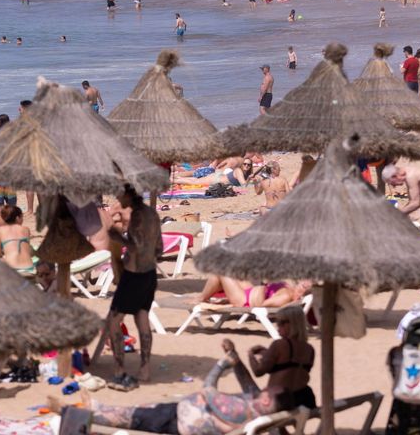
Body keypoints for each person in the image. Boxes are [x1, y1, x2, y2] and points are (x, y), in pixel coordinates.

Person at [79, 339, 284, 435]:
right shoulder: (256, 406)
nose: (264, 388)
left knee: (131, 417)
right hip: (181, 413)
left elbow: (208, 389)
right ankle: (96, 407)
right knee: (139, 410)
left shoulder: (240, 410)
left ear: (266, 400)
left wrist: (223, 364)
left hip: (180, 422)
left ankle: (89, 415)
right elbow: (248, 385)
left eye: (269, 390)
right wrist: (237, 360)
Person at [107, 186, 162, 387]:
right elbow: (160, 248)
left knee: (113, 321)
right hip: (149, 273)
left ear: (129, 195)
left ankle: (119, 367)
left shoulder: (137, 216)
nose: (117, 197)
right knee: (142, 318)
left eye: (119, 194)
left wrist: (117, 237)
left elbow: (136, 247)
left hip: (134, 274)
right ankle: (145, 369)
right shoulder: (153, 214)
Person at [247, 305, 316, 410]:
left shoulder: (279, 344)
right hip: (304, 398)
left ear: (293, 324)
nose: (278, 326)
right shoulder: (310, 349)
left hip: (281, 400)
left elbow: (258, 371)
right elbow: (291, 368)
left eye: (281, 323)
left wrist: (251, 355)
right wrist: (267, 353)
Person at [0, 205, 36, 277]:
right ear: (17, 218)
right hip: (29, 268)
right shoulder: (26, 229)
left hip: (13, 269)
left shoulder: (0, 231)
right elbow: (27, 250)